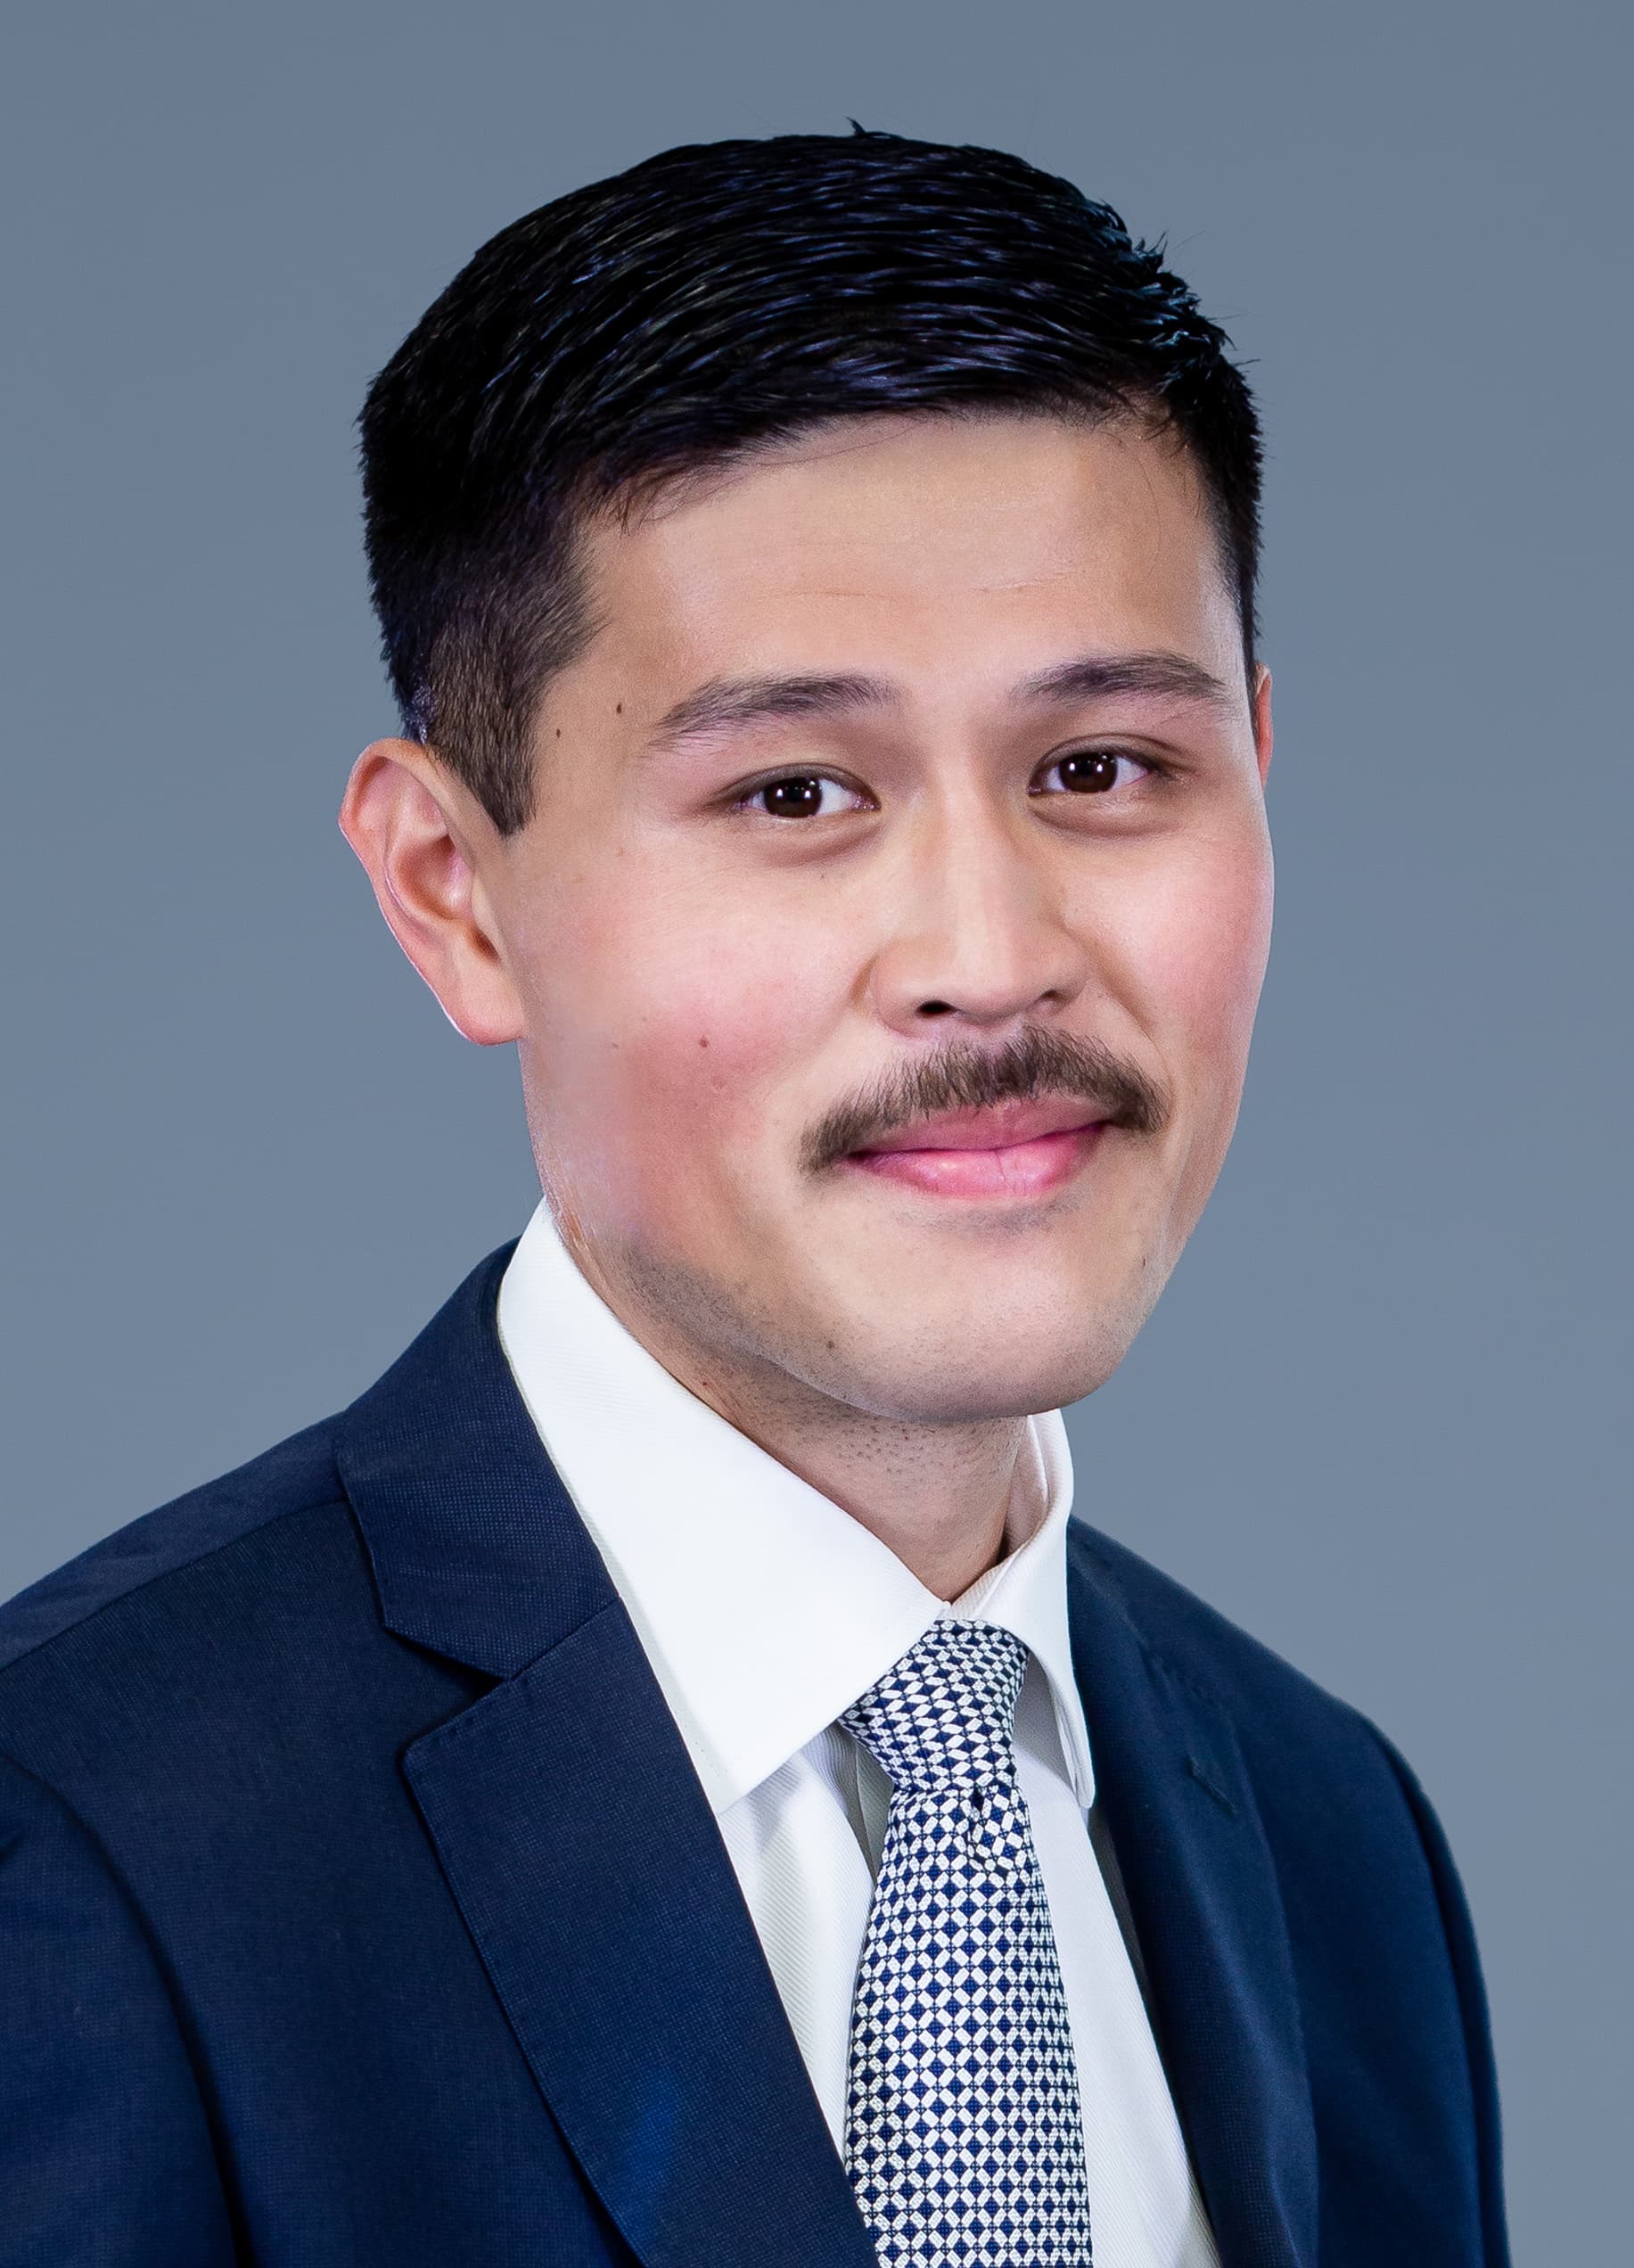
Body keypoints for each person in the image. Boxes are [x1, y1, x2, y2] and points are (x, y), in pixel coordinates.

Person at [0, 129, 1509, 2267]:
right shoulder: (80, 1851)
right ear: (456, 895)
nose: (988, 951)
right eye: (794, 792)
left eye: (1100, 771)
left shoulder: (1336, 1842)